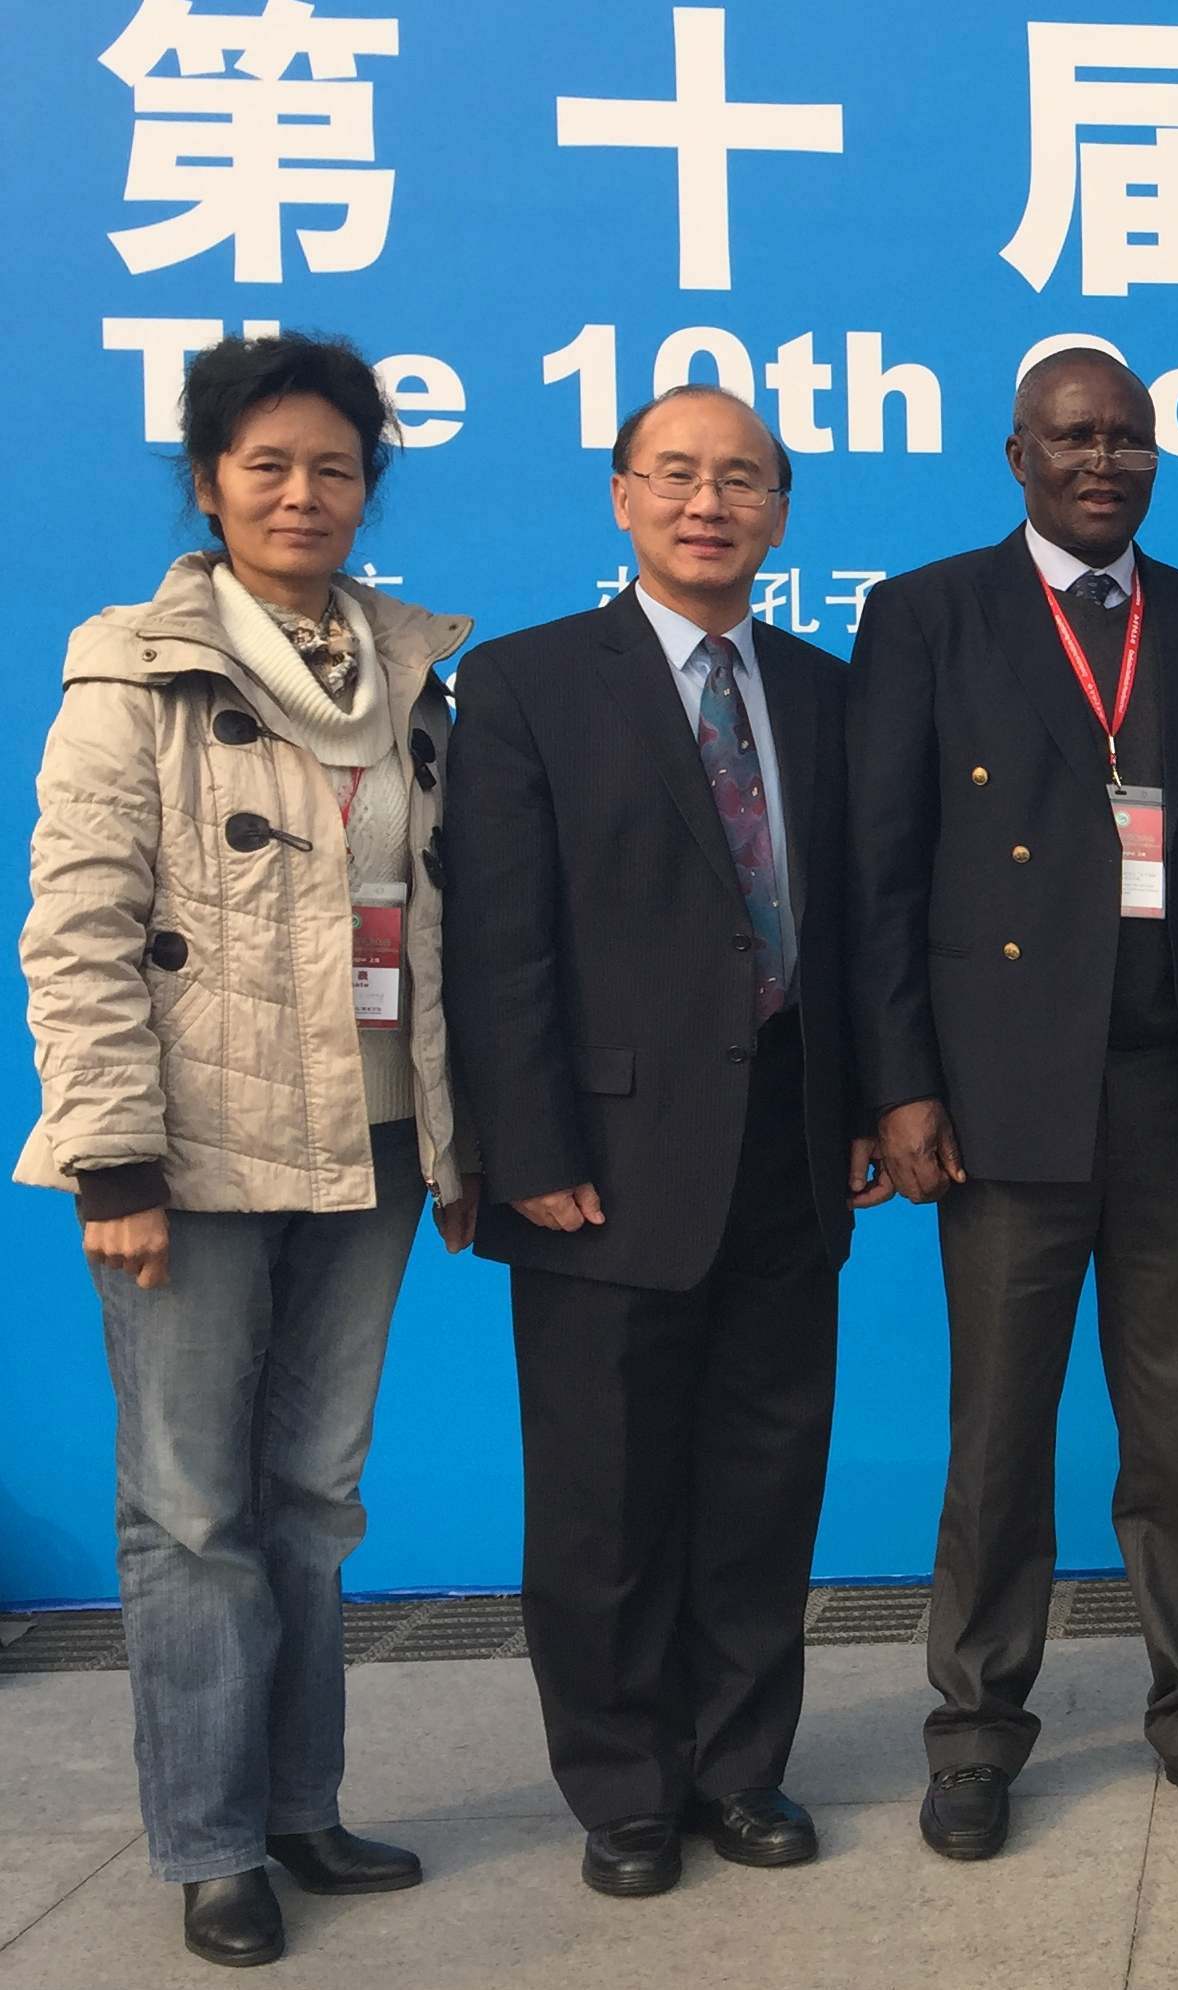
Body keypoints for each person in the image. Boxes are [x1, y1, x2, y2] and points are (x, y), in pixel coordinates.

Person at [17, 332, 475, 1968]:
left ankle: (299, 1804)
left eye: (335, 466)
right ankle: (212, 1843)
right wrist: (112, 1162)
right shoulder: (131, 672)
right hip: (196, 1155)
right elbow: (78, 927)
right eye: (268, 464)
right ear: (209, 482)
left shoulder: (413, 673)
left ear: (369, 487)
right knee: (193, 1508)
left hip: (377, 1141)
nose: (303, 493)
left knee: (315, 1494)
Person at [443, 384, 881, 1896]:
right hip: (600, 1158)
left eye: (743, 479)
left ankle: (743, 1767)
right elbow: (499, 939)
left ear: (781, 512)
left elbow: (857, 923)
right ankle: (624, 1786)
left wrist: (867, 1102)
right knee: (604, 1499)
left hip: (788, 1142)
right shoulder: (524, 683)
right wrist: (527, 1143)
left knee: (765, 1480)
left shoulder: (823, 690)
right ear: (622, 496)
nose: (711, 503)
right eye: (678, 474)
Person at [847, 348, 1178, 1859]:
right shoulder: (928, 613)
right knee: (999, 1434)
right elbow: (881, 872)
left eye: (1129, 439)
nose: (1105, 460)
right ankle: (974, 1732)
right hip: (1003, 1097)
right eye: (1076, 437)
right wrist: (898, 1082)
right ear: (1017, 454)